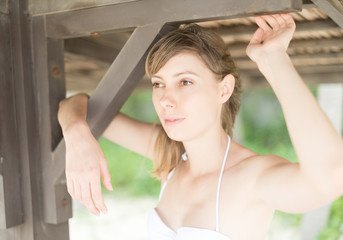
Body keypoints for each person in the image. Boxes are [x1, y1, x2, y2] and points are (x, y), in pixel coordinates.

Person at [58, 14, 343, 240]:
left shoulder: (252, 178)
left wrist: (274, 59)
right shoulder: (169, 155)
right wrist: (77, 135)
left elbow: (331, 175)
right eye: (159, 83)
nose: (166, 100)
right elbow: (77, 104)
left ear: (224, 90)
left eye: (185, 82)